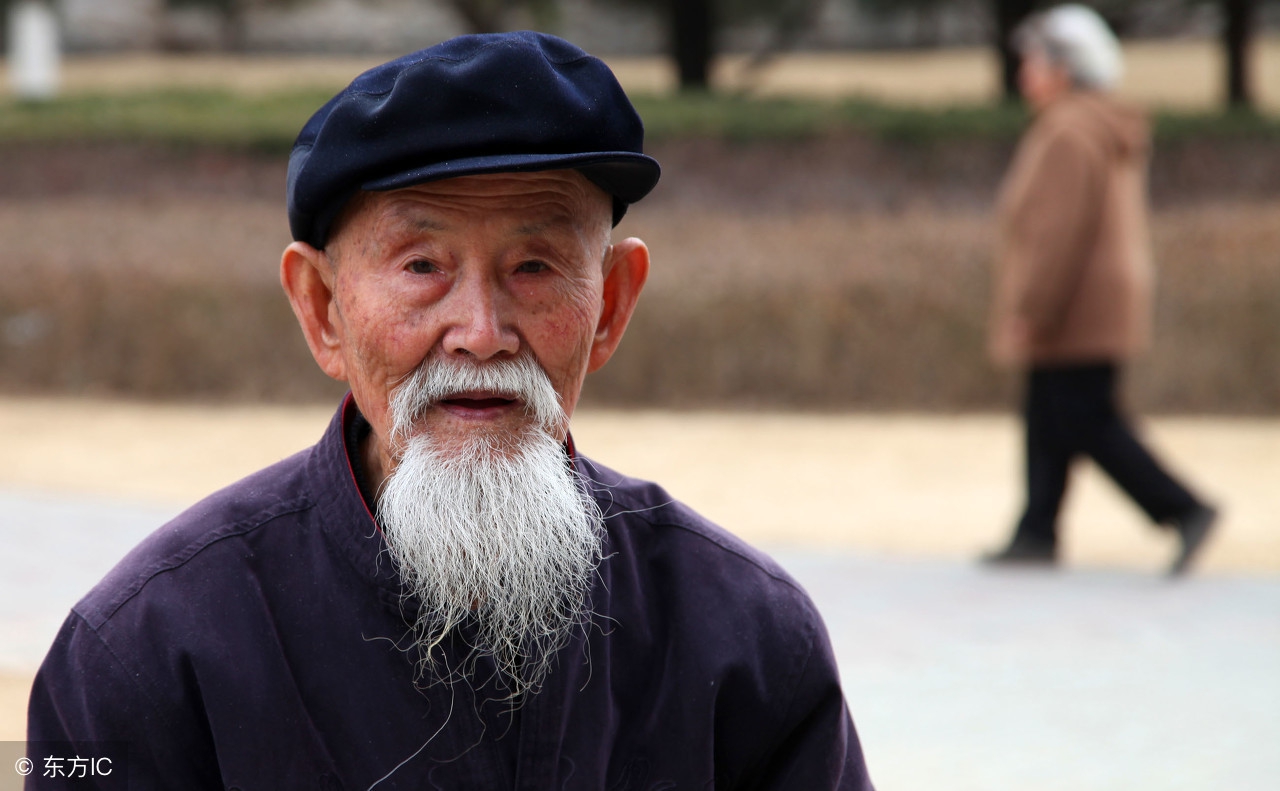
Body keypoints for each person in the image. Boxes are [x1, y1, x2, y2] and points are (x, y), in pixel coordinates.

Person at [26, 32, 874, 789]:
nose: (481, 332)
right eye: (423, 264)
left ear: (611, 304)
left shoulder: (747, 642)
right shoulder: (142, 654)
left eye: (535, 266)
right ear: (322, 308)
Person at [984, 5, 1217, 576]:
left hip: (1077, 302)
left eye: (1034, 61)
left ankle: (1183, 509)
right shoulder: (1094, 121)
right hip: (1097, 297)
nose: (1025, 74)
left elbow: (1056, 232)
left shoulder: (1069, 129)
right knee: (1049, 412)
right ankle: (1036, 529)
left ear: (1065, 67)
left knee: (1086, 418)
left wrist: (1032, 308)